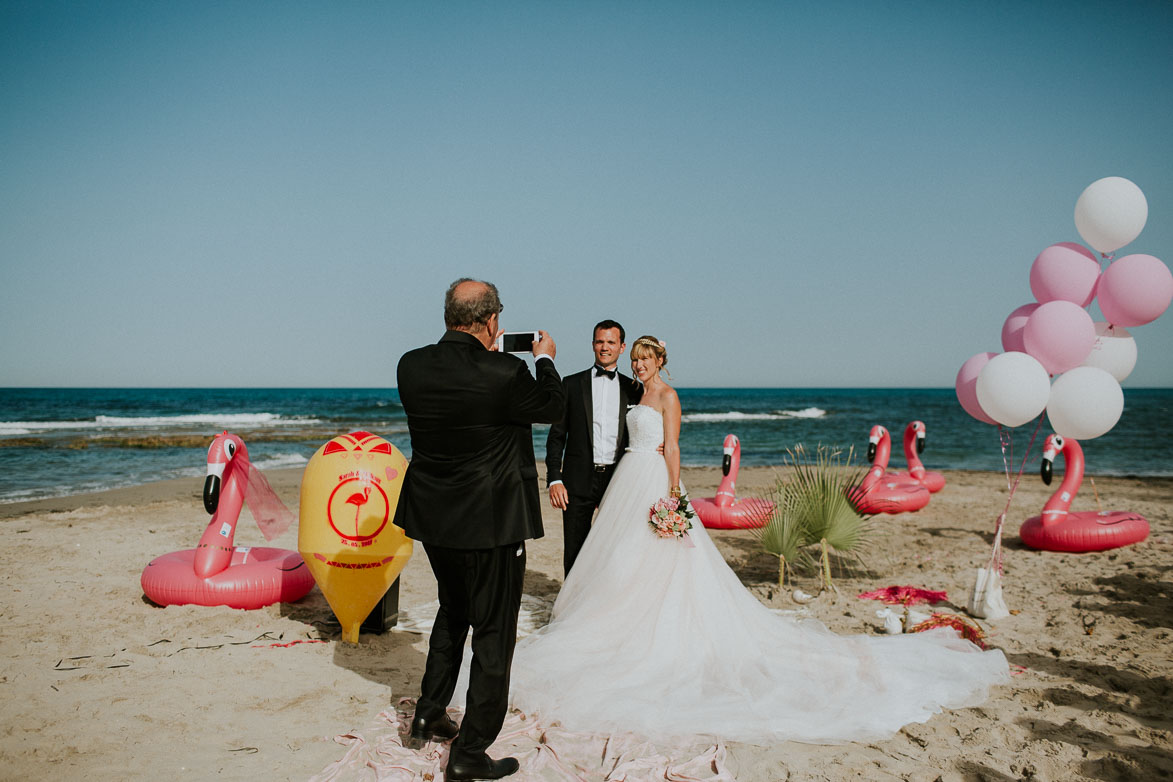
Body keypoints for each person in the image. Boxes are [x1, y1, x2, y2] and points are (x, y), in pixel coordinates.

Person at [507, 336, 1011, 744]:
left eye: (644, 357)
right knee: (619, 558)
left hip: (654, 482)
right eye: (633, 357)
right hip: (625, 480)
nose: (637, 364)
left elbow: (674, 446)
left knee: (660, 560)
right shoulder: (632, 393)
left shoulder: (666, 395)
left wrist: (672, 495)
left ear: (660, 359)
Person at [395, 278, 564, 781]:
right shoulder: (506, 371)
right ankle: (469, 754)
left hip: (433, 517)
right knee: (494, 634)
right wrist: (546, 359)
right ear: (492, 320)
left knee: (453, 609)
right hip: (490, 524)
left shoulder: (410, 365)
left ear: (450, 315)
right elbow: (554, 407)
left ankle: (429, 711)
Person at [545, 320, 643, 575]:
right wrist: (554, 478)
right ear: (592, 345)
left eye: (611, 342)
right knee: (575, 549)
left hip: (618, 479)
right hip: (577, 480)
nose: (604, 347)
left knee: (615, 547)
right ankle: (571, 609)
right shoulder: (571, 384)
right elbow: (557, 436)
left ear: (622, 347)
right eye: (600, 341)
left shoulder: (634, 389)